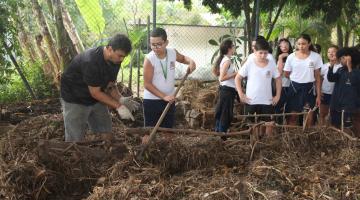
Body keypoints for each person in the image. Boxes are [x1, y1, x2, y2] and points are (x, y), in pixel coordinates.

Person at [60, 34, 139, 142]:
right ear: (110, 49)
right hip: (75, 97)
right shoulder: (91, 61)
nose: (122, 59)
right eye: (120, 56)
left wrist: (120, 98)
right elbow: (95, 93)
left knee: (105, 129)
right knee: (75, 137)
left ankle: (107, 152)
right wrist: (119, 106)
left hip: (95, 97)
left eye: (123, 57)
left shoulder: (115, 61)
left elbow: (110, 84)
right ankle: (74, 155)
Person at [143, 27, 196, 129]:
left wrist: (191, 62)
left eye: (159, 44)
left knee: (168, 131)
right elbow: (147, 84)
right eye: (152, 44)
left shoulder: (172, 52)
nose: (155, 47)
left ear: (166, 42)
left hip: (169, 99)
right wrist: (163, 96)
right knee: (149, 133)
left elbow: (184, 58)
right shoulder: (149, 59)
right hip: (152, 101)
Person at [235, 39, 281, 136]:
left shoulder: (271, 63)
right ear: (254, 52)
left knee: (267, 124)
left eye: (265, 53)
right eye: (260, 53)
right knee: (251, 125)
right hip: (251, 100)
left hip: (267, 100)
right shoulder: (249, 63)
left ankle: (266, 143)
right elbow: (238, 78)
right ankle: (254, 143)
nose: (263, 56)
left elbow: (278, 79)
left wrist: (277, 96)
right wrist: (240, 94)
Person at [283, 34, 323, 126]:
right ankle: (291, 138)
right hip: (294, 87)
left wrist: (318, 95)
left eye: (304, 44)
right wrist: (296, 78)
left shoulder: (316, 57)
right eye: (299, 44)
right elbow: (286, 73)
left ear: (309, 43)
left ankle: (307, 137)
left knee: (310, 115)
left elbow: (317, 77)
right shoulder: (291, 57)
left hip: (309, 88)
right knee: (292, 115)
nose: (301, 46)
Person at [328, 47, 360, 134]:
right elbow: (331, 78)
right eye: (340, 58)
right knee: (335, 125)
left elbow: (353, 80)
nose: (340, 60)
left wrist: (349, 66)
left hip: (350, 107)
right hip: (336, 104)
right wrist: (331, 66)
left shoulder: (357, 72)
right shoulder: (340, 70)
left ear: (350, 58)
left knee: (348, 128)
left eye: (342, 58)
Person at [213, 39, 238, 137]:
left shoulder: (225, 59)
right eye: (233, 46)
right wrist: (236, 73)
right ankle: (221, 136)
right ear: (229, 48)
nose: (234, 48)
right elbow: (222, 78)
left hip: (226, 90)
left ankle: (218, 133)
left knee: (222, 112)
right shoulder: (227, 61)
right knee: (225, 114)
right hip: (227, 90)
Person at [319, 45, 341, 125]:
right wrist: (319, 91)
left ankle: (333, 131)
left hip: (337, 94)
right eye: (329, 52)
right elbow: (320, 79)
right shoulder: (324, 66)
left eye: (333, 52)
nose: (331, 54)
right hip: (325, 93)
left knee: (334, 115)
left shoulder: (342, 67)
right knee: (323, 114)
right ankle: (322, 131)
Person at [274, 38, 293, 121]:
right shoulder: (277, 58)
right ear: (279, 47)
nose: (284, 46)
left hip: (292, 86)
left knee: (290, 109)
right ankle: (279, 127)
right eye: (282, 45)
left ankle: (289, 129)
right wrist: (281, 58)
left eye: (286, 44)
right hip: (280, 87)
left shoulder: (294, 57)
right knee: (279, 108)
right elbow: (279, 72)